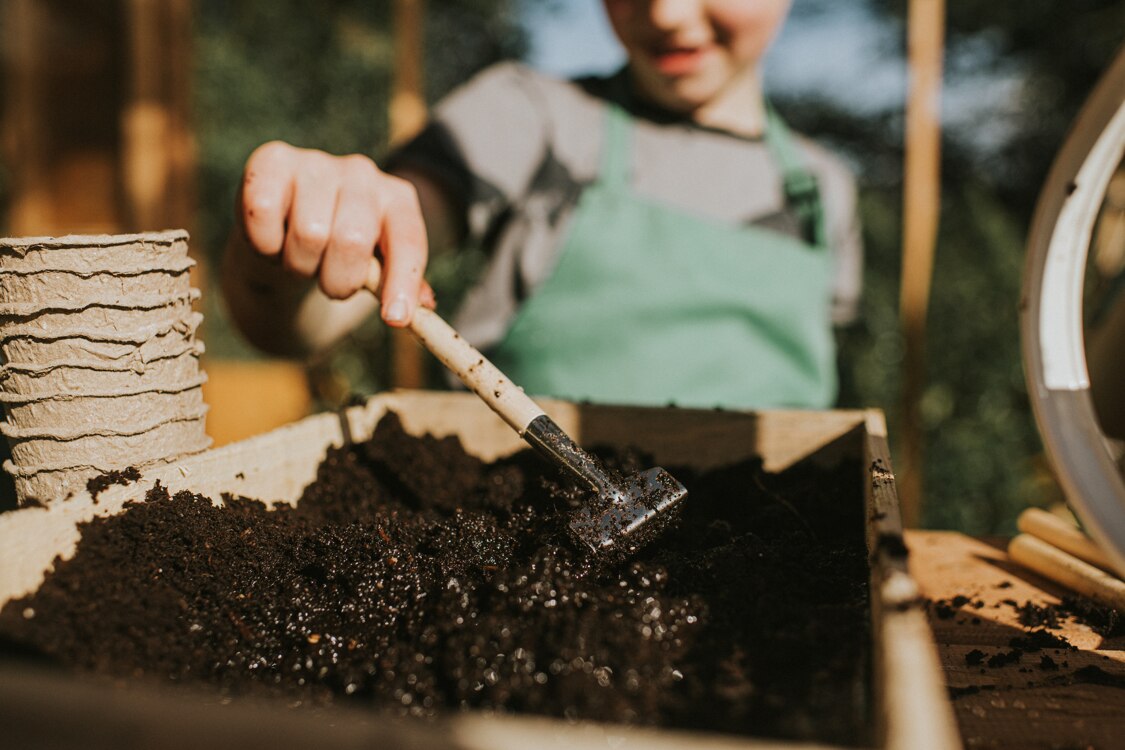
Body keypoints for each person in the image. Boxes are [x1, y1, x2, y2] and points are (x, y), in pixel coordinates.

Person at [222, 0, 861, 410]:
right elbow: (300, 325)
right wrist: (308, 233)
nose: (665, 13)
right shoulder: (532, 115)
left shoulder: (823, 187)